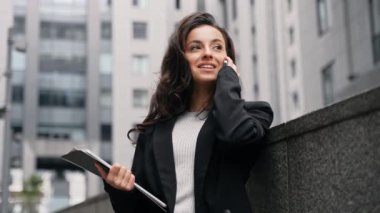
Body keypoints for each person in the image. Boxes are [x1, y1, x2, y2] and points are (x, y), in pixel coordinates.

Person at [96, 12, 273, 213]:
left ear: (227, 60)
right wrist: (119, 189)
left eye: (217, 47)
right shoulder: (154, 130)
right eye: (195, 47)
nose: (207, 53)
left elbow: (235, 134)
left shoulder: (255, 114)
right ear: (181, 60)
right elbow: (139, 209)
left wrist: (229, 79)